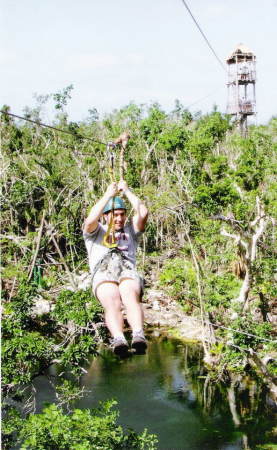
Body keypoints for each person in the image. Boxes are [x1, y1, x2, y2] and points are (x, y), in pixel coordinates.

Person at [83, 180, 148, 355]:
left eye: (122, 214)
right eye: (114, 215)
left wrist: (126, 191)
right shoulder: (96, 232)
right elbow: (90, 220)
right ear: (105, 216)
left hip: (126, 269)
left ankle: (138, 334)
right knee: (112, 300)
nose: (119, 219)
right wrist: (107, 196)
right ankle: (119, 338)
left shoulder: (130, 231)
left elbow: (143, 212)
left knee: (129, 292)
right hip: (103, 272)